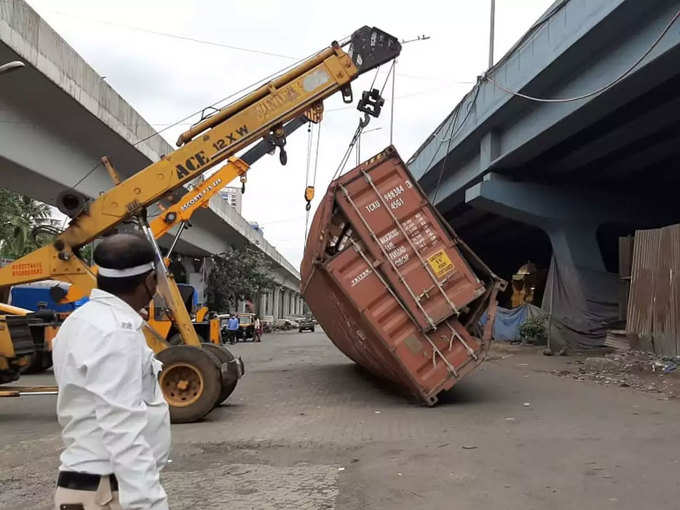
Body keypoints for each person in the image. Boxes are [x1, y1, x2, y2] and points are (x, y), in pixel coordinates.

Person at [52, 233, 170, 510]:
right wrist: (149, 504)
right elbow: (123, 429)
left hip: (91, 487)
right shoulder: (117, 332)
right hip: (108, 492)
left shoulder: (79, 321)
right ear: (150, 280)